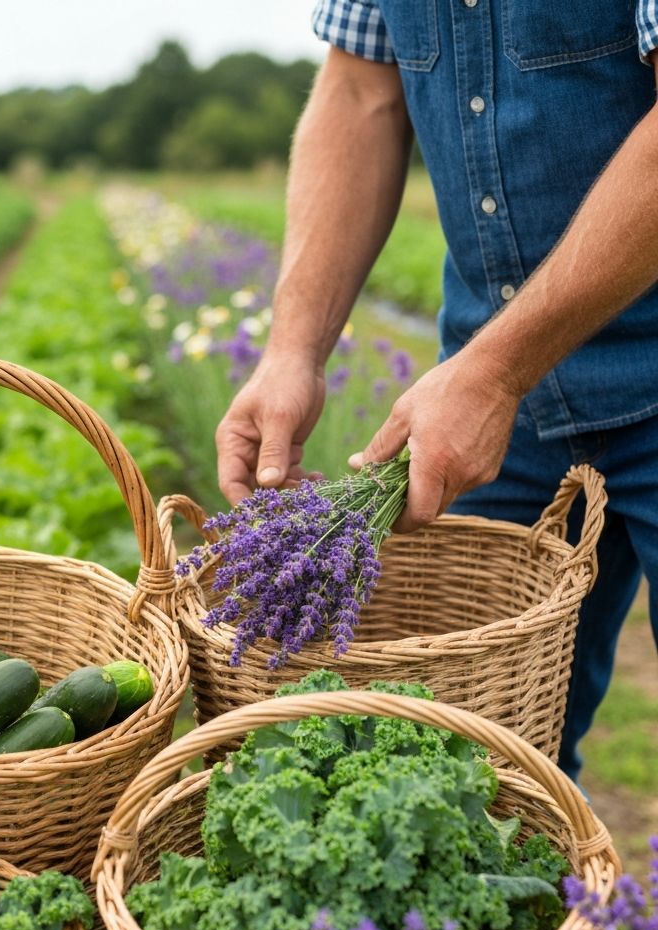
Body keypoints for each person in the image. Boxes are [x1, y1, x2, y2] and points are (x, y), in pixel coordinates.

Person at [214, 1, 658, 781]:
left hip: (519, 368)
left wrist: (494, 371)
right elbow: (360, 93)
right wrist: (292, 351)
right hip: (507, 400)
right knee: (473, 770)